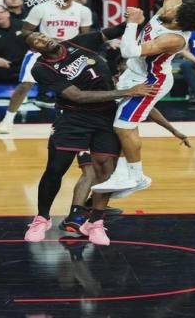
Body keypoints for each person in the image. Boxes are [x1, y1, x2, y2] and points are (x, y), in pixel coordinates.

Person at [92, 0, 195, 197]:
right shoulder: (173, 7)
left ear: (181, 22)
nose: (169, 8)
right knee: (124, 123)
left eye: (175, 11)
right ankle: (124, 173)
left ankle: (137, 176)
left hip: (150, 80)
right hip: (134, 75)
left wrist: (133, 23)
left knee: (123, 125)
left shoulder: (173, 39)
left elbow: (130, 51)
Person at [23, 25, 156, 246]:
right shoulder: (41, 68)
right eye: (36, 40)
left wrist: (135, 21)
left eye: (42, 35)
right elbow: (77, 96)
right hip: (73, 119)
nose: (42, 39)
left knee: (105, 171)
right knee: (56, 169)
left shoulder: (79, 43)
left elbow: (116, 30)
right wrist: (126, 92)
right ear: (34, 50)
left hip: (105, 117)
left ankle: (95, 222)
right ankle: (41, 219)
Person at [0, 0, 92, 132]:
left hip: (68, 53)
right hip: (40, 51)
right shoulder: (41, 8)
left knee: (75, 89)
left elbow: (86, 37)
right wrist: (45, 40)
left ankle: (74, 120)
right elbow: (25, 32)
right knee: (25, 85)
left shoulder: (83, 10)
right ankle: (7, 120)